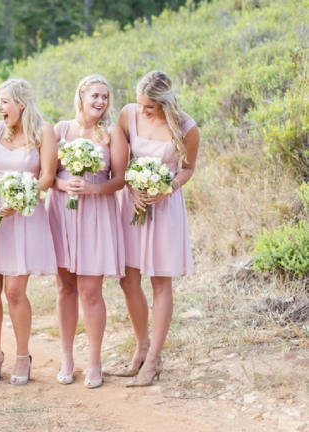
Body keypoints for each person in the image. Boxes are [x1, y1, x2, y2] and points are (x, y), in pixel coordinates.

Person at [111, 70, 200, 387]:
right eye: (140, 104)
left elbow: (188, 168)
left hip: (165, 208)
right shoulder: (127, 115)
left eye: (149, 107)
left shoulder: (187, 128)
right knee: (127, 278)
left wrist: (169, 187)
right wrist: (131, 189)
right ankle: (141, 348)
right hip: (133, 204)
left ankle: (154, 360)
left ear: (164, 103)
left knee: (161, 282)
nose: (142, 110)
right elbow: (122, 160)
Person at [0, 78, 57, 385]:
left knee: (15, 291)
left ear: (21, 103)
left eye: (4, 101)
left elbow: (47, 177)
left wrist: (20, 197)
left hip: (23, 213)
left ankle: (23, 355)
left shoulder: (43, 131)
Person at [47, 75, 128, 388]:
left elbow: (120, 179)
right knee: (64, 287)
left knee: (90, 291)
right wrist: (62, 183)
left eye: (105, 97)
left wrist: (94, 188)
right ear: (80, 96)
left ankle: (95, 361)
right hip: (62, 214)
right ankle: (67, 357)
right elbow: (47, 175)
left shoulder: (112, 133)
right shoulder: (59, 130)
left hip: (96, 214)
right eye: (95, 95)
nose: (101, 102)